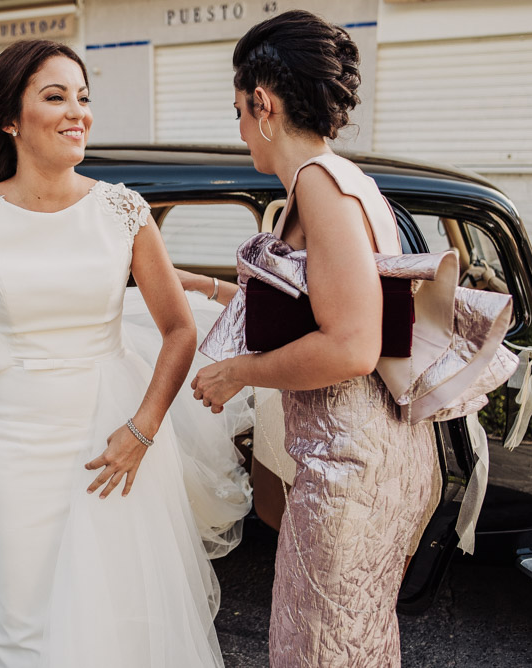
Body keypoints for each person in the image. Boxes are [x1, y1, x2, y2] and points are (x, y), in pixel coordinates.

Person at [0, 40, 226, 667]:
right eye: (55, 96)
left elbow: (178, 330)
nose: (77, 112)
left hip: (112, 444)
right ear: (10, 118)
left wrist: (140, 432)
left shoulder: (121, 209)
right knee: (27, 623)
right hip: (15, 447)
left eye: (83, 98)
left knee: (115, 615)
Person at [189, 11, 444, 667]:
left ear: (264, 104)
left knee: (317, 651)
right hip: (389, 453)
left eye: (240, 113)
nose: (241, 131)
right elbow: (322, 310)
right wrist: (207, 289)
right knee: (357, 645)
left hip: (347, 472)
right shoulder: (351, 180)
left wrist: (237, 371)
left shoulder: (316, 186)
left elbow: (353, 345)